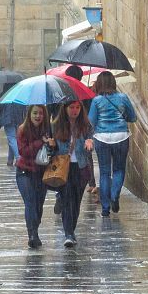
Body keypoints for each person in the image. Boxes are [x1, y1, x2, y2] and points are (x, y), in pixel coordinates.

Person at [88, 71, 137, 217]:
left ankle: (105, 208)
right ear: (113, 83)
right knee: (119, 169)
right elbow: (133, 117)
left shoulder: (96, 101)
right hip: (121, 136)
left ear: (99, 84)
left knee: (104, 172)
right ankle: (115, 195)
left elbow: (91, 121)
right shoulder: (123, 97)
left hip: (102, 137)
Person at [52, 101, 94, 247]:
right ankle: (68, 233)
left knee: (76, 201)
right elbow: (52, 146)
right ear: (65, 108)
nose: (75, 111)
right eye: (71, 108)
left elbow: (91, 138)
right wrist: (50, 144)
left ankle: (71, 230)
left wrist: (89, 142)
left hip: (81, 167)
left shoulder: (85, 125)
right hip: (64, 168)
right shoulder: (56, 125)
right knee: (67, 199)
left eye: (77, 107)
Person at [16, 105, 55, 249]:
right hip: (25, 172)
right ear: (29, 114)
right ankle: (32, 234)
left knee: (39, 205)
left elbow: (53, 151)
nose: (38, 116)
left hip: (41, 173)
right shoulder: (22, 129)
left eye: (40, 113)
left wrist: (51, 144)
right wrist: (41, 142)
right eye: (35, 113)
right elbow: (23, 151)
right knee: (30, 201)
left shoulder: (48, 129)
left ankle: (35, 228)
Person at [0, 82, 26, 167]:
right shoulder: (19, 94)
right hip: (18, 118)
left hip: (8, 118)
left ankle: (18, 158)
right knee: (13, 139)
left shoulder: (5, 94)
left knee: (11, 138)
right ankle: (10, 160)